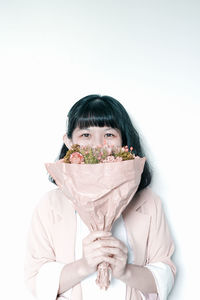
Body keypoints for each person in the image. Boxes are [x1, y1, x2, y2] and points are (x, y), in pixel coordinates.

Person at [24, 94, 176, 300]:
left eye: (109, 134)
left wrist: (125, 271)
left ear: (124, 141)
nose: (98, 144)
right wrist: (84, 265)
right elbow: (35, 279)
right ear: (69, 142)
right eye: (86, 135)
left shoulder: (148, 203)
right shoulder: (50, 205)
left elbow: (164, 273)